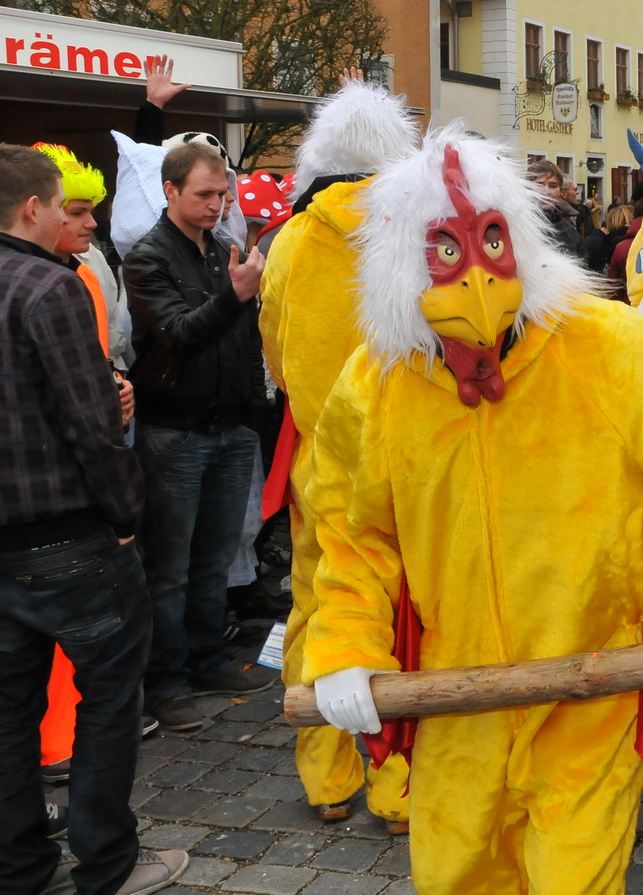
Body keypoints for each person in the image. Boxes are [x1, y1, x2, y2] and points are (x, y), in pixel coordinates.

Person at [302, 132, 643, 894]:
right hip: (458, 702)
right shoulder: (375, 388)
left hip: (589, 687)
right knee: (457, 876)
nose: (477, 271)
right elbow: (353, 534)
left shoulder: (605, 347)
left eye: (490, 238)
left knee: (574, 879)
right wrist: (346, 644)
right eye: (447, 249)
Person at [0, 145, 188, 895]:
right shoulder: (48, 285)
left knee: (3, 703)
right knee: (106, 697)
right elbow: (93, 426)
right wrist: (126, 518)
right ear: (32, 207)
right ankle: (106, 861)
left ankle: (18, 869)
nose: (67, 217)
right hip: (67, 538)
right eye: (61, 204)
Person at [259, 79, 416, 831]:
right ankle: (401, 787)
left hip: (320, 467)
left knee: (320, 612)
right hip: (409, 461)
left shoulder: (289, 241)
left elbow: (277, 356)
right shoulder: (417, 230)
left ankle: (326, 778)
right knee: (410, 616)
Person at [124, 143, 275, 732]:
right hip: (175, 433)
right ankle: (167, 682)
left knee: (216, 558)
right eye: (204, 195)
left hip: (230, 427)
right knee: (170, 567)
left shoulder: (221, 251)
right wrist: (234, 296)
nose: (217, 206)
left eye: (223, 195)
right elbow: (178, 334)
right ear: (170, 191)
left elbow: (242, 340)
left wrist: (251, 413)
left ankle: (209, 658)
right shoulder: (147, 257)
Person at [525, 160, 582, 254]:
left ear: (559, 191)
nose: (546, 192)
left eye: (553, 186)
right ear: (528, 188)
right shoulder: (515, 227)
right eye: (539, 185)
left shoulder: (570, 235)